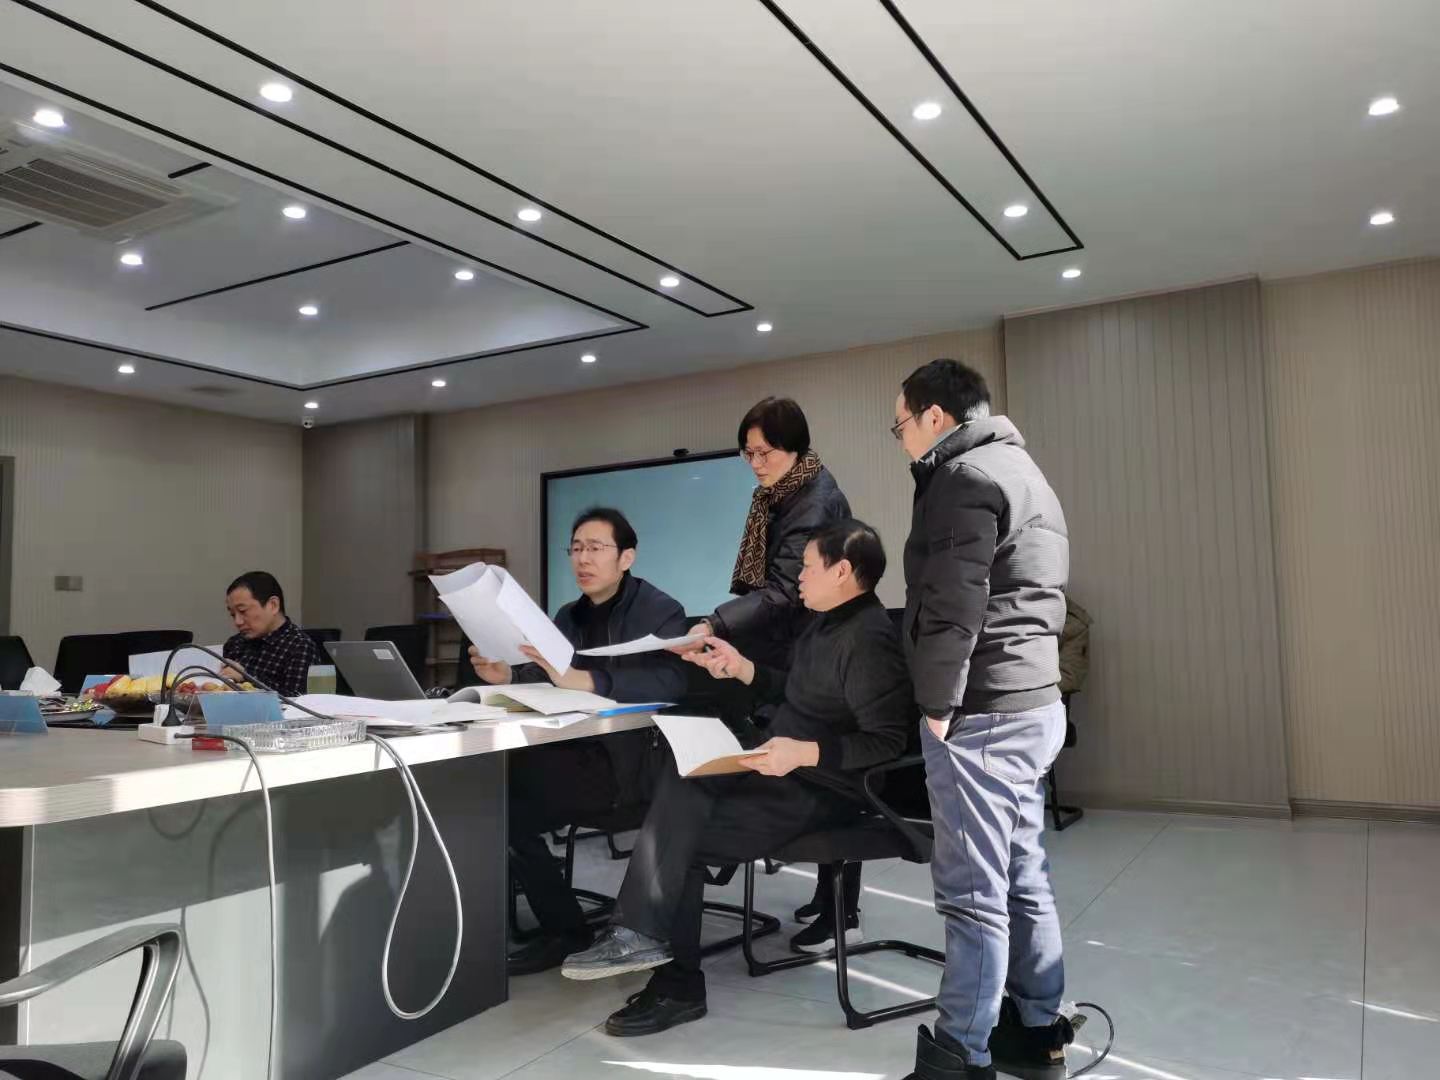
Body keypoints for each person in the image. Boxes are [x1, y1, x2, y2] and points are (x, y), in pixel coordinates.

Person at [562, 520, 912, 1039]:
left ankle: (678, 985)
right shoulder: (825, 622)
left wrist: (805, 752)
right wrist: (743, 668)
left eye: (807, 567)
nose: (798, 577)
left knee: (682, 841)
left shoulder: (870, 638)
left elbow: (888, 742)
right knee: (684, 777)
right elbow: (798, 691)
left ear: (841, 572)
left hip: (825, 789)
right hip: (780, 766)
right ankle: (637, 933)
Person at [893, 359, 1074, 1080]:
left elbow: (953, 603)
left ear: (934, 416)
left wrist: (938, 704)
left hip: (984, 712)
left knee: (972, 895)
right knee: (1022, 874)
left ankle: (959, 1057)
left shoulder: (962, 477)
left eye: (900, 425)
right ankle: (1036, 1031)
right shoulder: (1022, 468)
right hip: (1035, 702)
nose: (902, 439)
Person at [467, 507, 689, 975]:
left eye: (595, 548)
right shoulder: (568, 615)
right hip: (573, 752)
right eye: (576, 548)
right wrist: (507, 676)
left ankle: (564, 931)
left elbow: (670, 682)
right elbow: (546, 674)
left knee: (503, 800)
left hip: (633, 765)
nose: (582, 559)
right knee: (492, 794)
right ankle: (562, 928)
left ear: (626, 557)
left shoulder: (660, 611)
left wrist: (587, 681)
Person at [686, 395, 859, 952]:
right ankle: (831, 898)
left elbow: (785, 591)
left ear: (795, 448)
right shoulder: (781, 494)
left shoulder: (812, 501)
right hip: (798, 648)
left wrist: (716, 622)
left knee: (825, 775)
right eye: (749, 453)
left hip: (817, 652)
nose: (756, 464)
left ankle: (841, 908)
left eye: (766, 452)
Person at [222, 571, 321, 698]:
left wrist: (246, 676)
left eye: (243, 611)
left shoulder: (300, 646)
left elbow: (299, 701)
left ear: (273, 605)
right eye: (232, 614)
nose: (237, 621)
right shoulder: (235, 644)